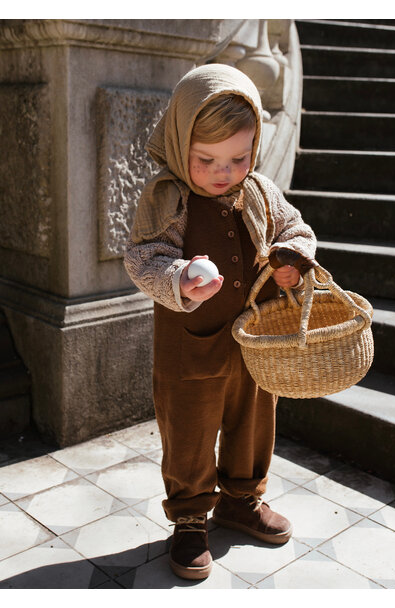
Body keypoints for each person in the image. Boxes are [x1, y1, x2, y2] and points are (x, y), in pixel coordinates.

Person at [124, 63, 317, 580]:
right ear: (179, 140)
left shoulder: (258, 191)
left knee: (253, 422)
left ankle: (241, 499)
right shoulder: (169, 197)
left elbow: (296, 227)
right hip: (189, 344)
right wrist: (180, 275)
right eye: (206, 158)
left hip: (253, 342)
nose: (224, 171)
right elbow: (142, 255)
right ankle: (189, 518)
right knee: (188, 429)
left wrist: (292, 258)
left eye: (240, 157)